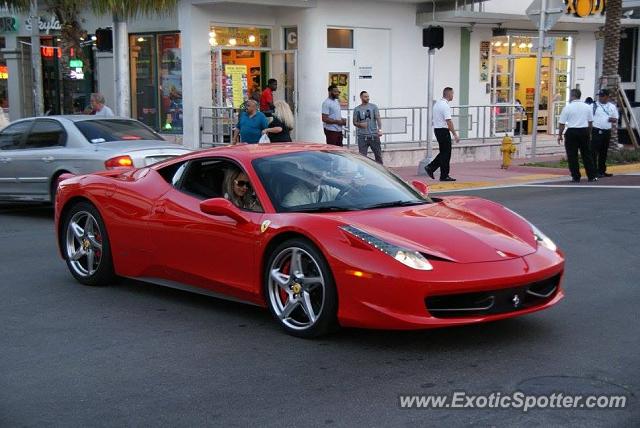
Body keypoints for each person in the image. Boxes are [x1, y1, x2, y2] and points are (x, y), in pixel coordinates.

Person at [557, 88, 598, 182]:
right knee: (587, 154)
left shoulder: (568, 107)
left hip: (572, 132)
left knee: (572, 156)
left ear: (572, 96)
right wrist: (589, 133)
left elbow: (562, 123)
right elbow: (590, 122)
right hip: (584, 131)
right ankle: (591, 176)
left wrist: (560, 135)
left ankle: (576, 176)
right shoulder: (587, 107)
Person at [425, 87, 460, 181]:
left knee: (444, 153)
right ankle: (435, 170)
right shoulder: (445, 105)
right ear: (448, 94)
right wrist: (455, 134)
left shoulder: (437, 104)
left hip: (437, 130)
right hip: (443, 131)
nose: (453, 95)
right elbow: (449, 121)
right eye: (452, 93)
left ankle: (439, 172)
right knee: (446, 153)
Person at [591, 89, 619, 178]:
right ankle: (594, 171)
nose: (600, 97)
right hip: (596, 131)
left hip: (607, 131)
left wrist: (611, 119)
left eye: (602, 96)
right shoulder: (594, 105)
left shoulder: (612, 106)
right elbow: (588, 118)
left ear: (607, 97)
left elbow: (615, 118)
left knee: (604, 152)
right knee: (594, 152)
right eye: (599, 96)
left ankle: (602, 171)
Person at [353, 91, 383, 164]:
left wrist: (380, 129)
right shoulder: (357, 109)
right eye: (365, 97)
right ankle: (362, 173)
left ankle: (381, 173)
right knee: (362, 158)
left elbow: (378, 118)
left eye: (368, 96)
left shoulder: (373, 107)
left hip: (373, 135)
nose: (367, 98)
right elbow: (354, 122)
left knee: (378, 156)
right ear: (361, 97)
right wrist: (360, 125)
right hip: (362, 137)